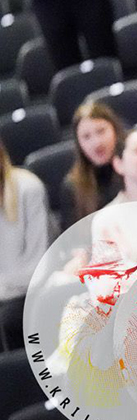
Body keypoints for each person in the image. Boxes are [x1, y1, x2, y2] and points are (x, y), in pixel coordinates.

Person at [0, 136, 49, 351]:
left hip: (30, 292)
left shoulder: (28, 188)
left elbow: (38, 268)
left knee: (10, 319)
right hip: (7, 293)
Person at [59, 102, 125, 232]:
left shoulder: (135, 167)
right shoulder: (72, 186)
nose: (97, 143)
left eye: (101, 131)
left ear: (115, 130)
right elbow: (72, 243)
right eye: (86, 137)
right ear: (79, 144)